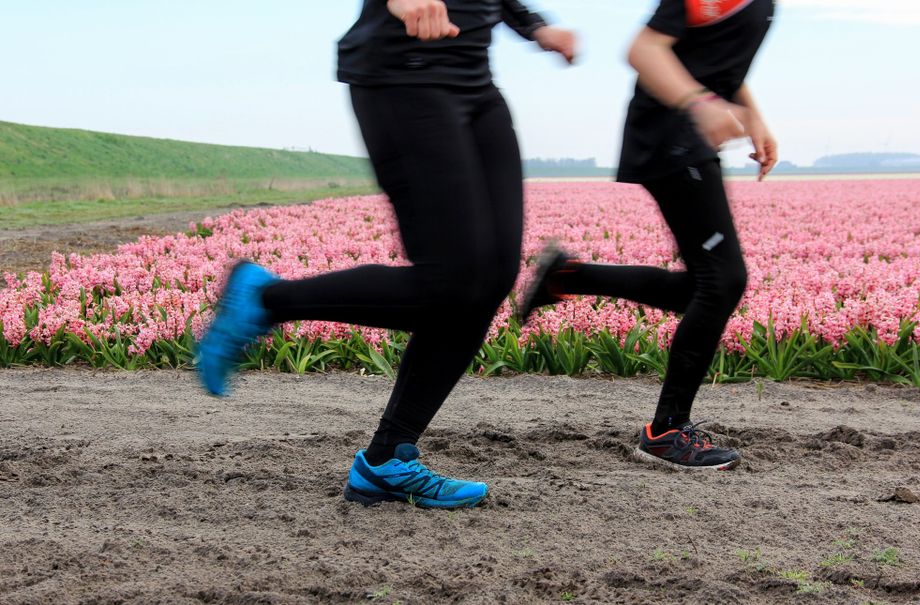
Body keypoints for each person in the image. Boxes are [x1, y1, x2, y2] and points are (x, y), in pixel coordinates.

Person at [196, 0, 576, 508]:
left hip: (475, 82)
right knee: (453, 281)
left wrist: (534, 25)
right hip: (402, 74)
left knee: (490, 278)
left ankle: (387, 460)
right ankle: (266, 299)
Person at [520, 0, 777, 470]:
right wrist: (700, 104)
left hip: (685, 135)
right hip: (671, 134)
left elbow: (711, 54)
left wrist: (752, 115)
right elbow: (644, 50)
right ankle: (666, 431)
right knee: (721, 282)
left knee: (706, 288)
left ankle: (569, 276)